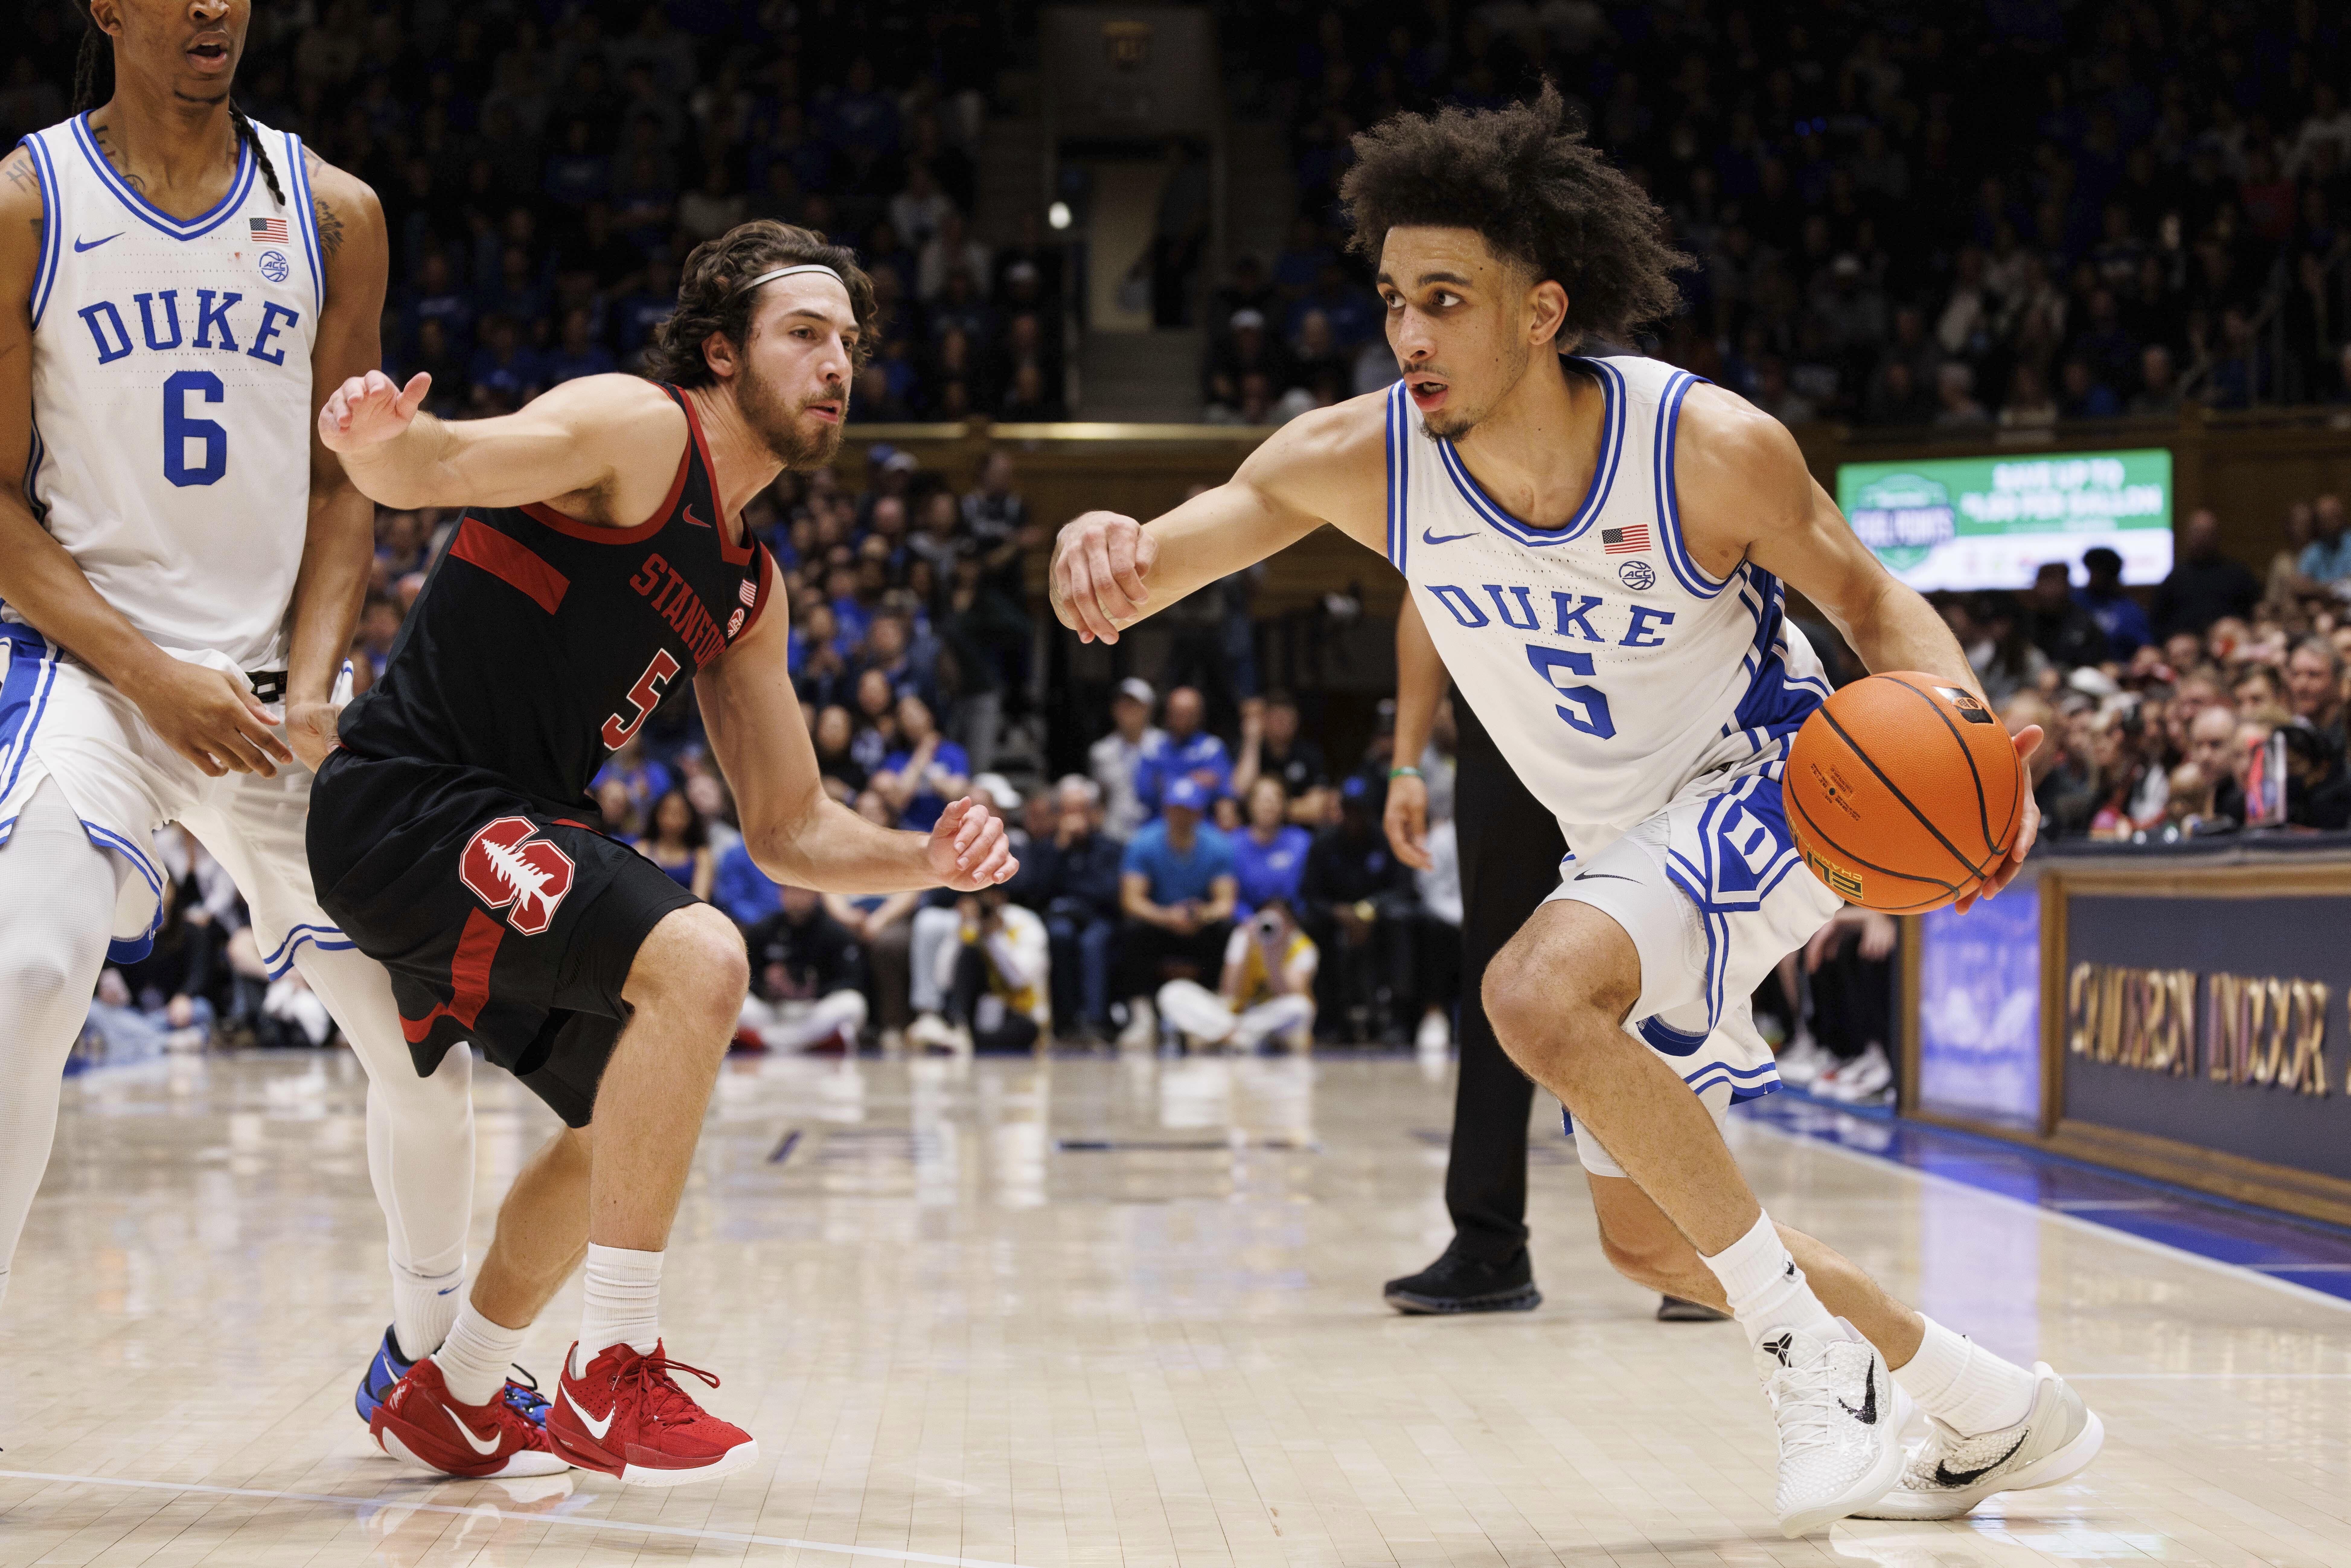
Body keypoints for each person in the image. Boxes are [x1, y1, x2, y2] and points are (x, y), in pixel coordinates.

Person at [1047, 87, 2095, 1535]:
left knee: (1532, 993)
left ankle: (1814, 1368)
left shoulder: (1702, 445)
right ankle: (1990, 1409)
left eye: (1445, 301)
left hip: (1778, 776)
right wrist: (1097, 547)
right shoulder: (1358, 454)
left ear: (1540, 310)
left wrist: (1974, 743)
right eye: (1393, 300)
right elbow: (1155, 563)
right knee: (1658, 1242)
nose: (1407, 334)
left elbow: (1864, 596)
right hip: (1624, 843)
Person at [311, 220, 1016, 1484]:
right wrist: (383, 440)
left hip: (513, 828)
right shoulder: (640, 428)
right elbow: (449, 461)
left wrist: (927, 856)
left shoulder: (749, 581)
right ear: (718, 350)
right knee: (699, 957)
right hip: (409, 803)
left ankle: (461, 1389)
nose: (837, 363)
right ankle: (612, 1360)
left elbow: (791, 825)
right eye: (805, 333)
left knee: (615, 1124)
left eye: (850, 342)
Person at [0, 0, 495, 1449]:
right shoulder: (28, 201)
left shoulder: (333, 209)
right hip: (94, 670)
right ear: (108, 6)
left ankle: (424, 1359)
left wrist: (314, 684)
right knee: (25, 964)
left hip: (275, 693)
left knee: (423, 1044)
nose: (214, 5)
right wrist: (155, 677)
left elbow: (350, 483)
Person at [1383, 597, 1713, 1320]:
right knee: (1496, 980)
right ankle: (1486, 1244)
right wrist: (1407, 759)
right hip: (1501, 745)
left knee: (1659, 975)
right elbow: (1423, 597)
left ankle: (1696, 1245)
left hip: (1641, 736)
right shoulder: (1451, 487)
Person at [1115, 774, 1236, 1044]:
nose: (1181, 817)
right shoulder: (1143, 843)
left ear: (1199, 813)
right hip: (1160, 925)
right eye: (1176, 809)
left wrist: (1201, 914)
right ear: (1166, 810)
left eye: (1188, 810)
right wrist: (1168, 917)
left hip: (1198, 927)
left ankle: (1214, 1008)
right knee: (1132, 930)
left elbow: (1225, 903)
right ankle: (1142, 1015)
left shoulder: (1218, 846)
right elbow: (1131, 901)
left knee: (1227, 930)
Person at [1156, 898, 1317, 1052]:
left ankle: (1223, 1036)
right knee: (1172, 992)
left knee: (1300, 1007)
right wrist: (1248, 945)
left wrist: (1272, 957)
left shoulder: (1303, 947)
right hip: (1234, 1014)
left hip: (1267, 1017)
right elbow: (1230, 994)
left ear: (1291, 925)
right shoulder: (1244, 937)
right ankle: (1242, 1039)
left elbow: (1287, 995)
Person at [910, 883, 1050, 1053]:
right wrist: (960, 932)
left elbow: (1019, 980)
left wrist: (994, 937)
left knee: (1027, 1030)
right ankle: (960, 1032)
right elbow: (943, 979)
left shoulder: (1025, 923)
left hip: (1017, 1012)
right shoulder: (970, 925)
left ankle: (959, 1041)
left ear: (1002, 896)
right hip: (979, 1011)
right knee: (969, 954)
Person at [739, 884, 868, 1052]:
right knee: (740, 1006)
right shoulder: (763, 930)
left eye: (802, 891)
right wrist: (767, 987)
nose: (796, 898)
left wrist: (814, 990)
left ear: (815, 894)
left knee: (853, 1005)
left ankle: (772, 1042)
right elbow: (744, 978)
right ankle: (808, 1043)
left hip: (815, 1010)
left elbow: (853, 980)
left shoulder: (835, 932)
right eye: (789, 890)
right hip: (774, 1011)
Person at [2152, 509, 2260, 639]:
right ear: (2188, 536)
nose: (2202, 538)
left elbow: (2257, 614)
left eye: (2208, 533)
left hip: (2231, 643)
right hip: (2185, 647)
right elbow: (2157, 624)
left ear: (2217, 536)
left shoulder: (2237, 574)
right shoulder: (2175, 578)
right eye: (2197, 532)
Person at [1133, 684, 1233, 816]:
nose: (1183, 720)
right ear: (1168, 714)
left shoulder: (1212, 747)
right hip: (1162, 821)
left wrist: (1166, 780)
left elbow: (1225, 789)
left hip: (1202, 822)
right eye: (1178, 713)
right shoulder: (1154, 748)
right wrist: (1194, 780)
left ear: (1200, 716)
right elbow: (1145, 792)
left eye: (1190, 714)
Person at [1089, 676, 1162, 838]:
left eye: (1133, 705)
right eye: (1121, 705)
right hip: (1114, 836)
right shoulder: (1101, 752)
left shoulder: (1164, 747)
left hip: (1155, 835)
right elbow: (1099, 797)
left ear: (1148, 709)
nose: (1126, 710)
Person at [1230, 775, 1312, 915]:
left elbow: (1313, 892)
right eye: (1262, 800)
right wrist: (1249, 921)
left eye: (1275, 799)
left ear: (1284, 805)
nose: (1268, 805)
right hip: (1248, 924)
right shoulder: (1232, 845)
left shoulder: (1302, 842)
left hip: (1296, 922)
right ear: (1250, 805)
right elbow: (1230, 899)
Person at [2073, 547, 2151, 661]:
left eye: (2097, 572)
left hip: (2120, 670)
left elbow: (2145, 647)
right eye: (2090, 572)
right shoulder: (2076, 602)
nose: (2092, 578)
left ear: (2110, 575)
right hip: (2078, 668)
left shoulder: (2128, 610)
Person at [637, 787, 715, 900]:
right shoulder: (641, 849)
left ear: (691, 818)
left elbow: (701, 900)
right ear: (657, 815)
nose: (671, 820)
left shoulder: (702, 856)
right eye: (666, 812)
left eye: (679, 814)